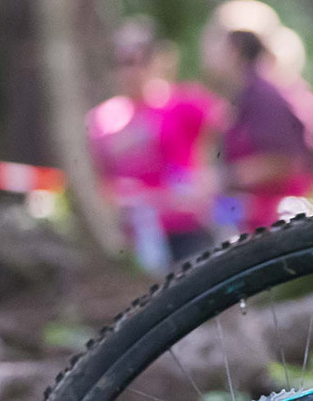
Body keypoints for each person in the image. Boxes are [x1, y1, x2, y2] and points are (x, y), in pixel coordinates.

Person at [88, 19, 224, 270]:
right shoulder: (103, 119)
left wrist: (209, 180)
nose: (131, 71)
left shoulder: (186, 103)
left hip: (188, 227)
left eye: (139, 61)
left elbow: (229, 134)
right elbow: (101, 180)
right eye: (123, 63)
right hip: (135, 233)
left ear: (156, 60)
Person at [200, 24, 313, 231]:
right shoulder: (244, 94)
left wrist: (222, 179)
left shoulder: (264, 95)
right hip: (256, 223)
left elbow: (282, 161)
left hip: (279, 223)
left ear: (236, 50)